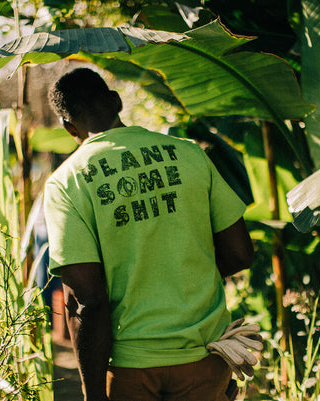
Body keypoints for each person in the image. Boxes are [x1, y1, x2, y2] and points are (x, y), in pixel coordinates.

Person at [43, 67, 256, 401]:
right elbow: (242, 253)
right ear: (116, 102)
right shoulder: (188, 153)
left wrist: (93, 393)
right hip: (206, 358)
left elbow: (88, 300)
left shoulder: (66, 182)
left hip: (131, 369)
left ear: (69, 127)